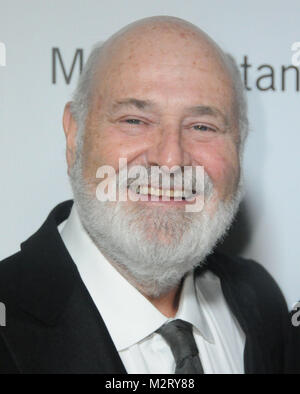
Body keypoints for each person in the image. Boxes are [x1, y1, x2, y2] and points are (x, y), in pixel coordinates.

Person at [0, 16, 293, 374]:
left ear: (239, 147)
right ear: (74, 135)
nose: (170, 160)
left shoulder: (260, 300)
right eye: (135, 120)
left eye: (202, 126)